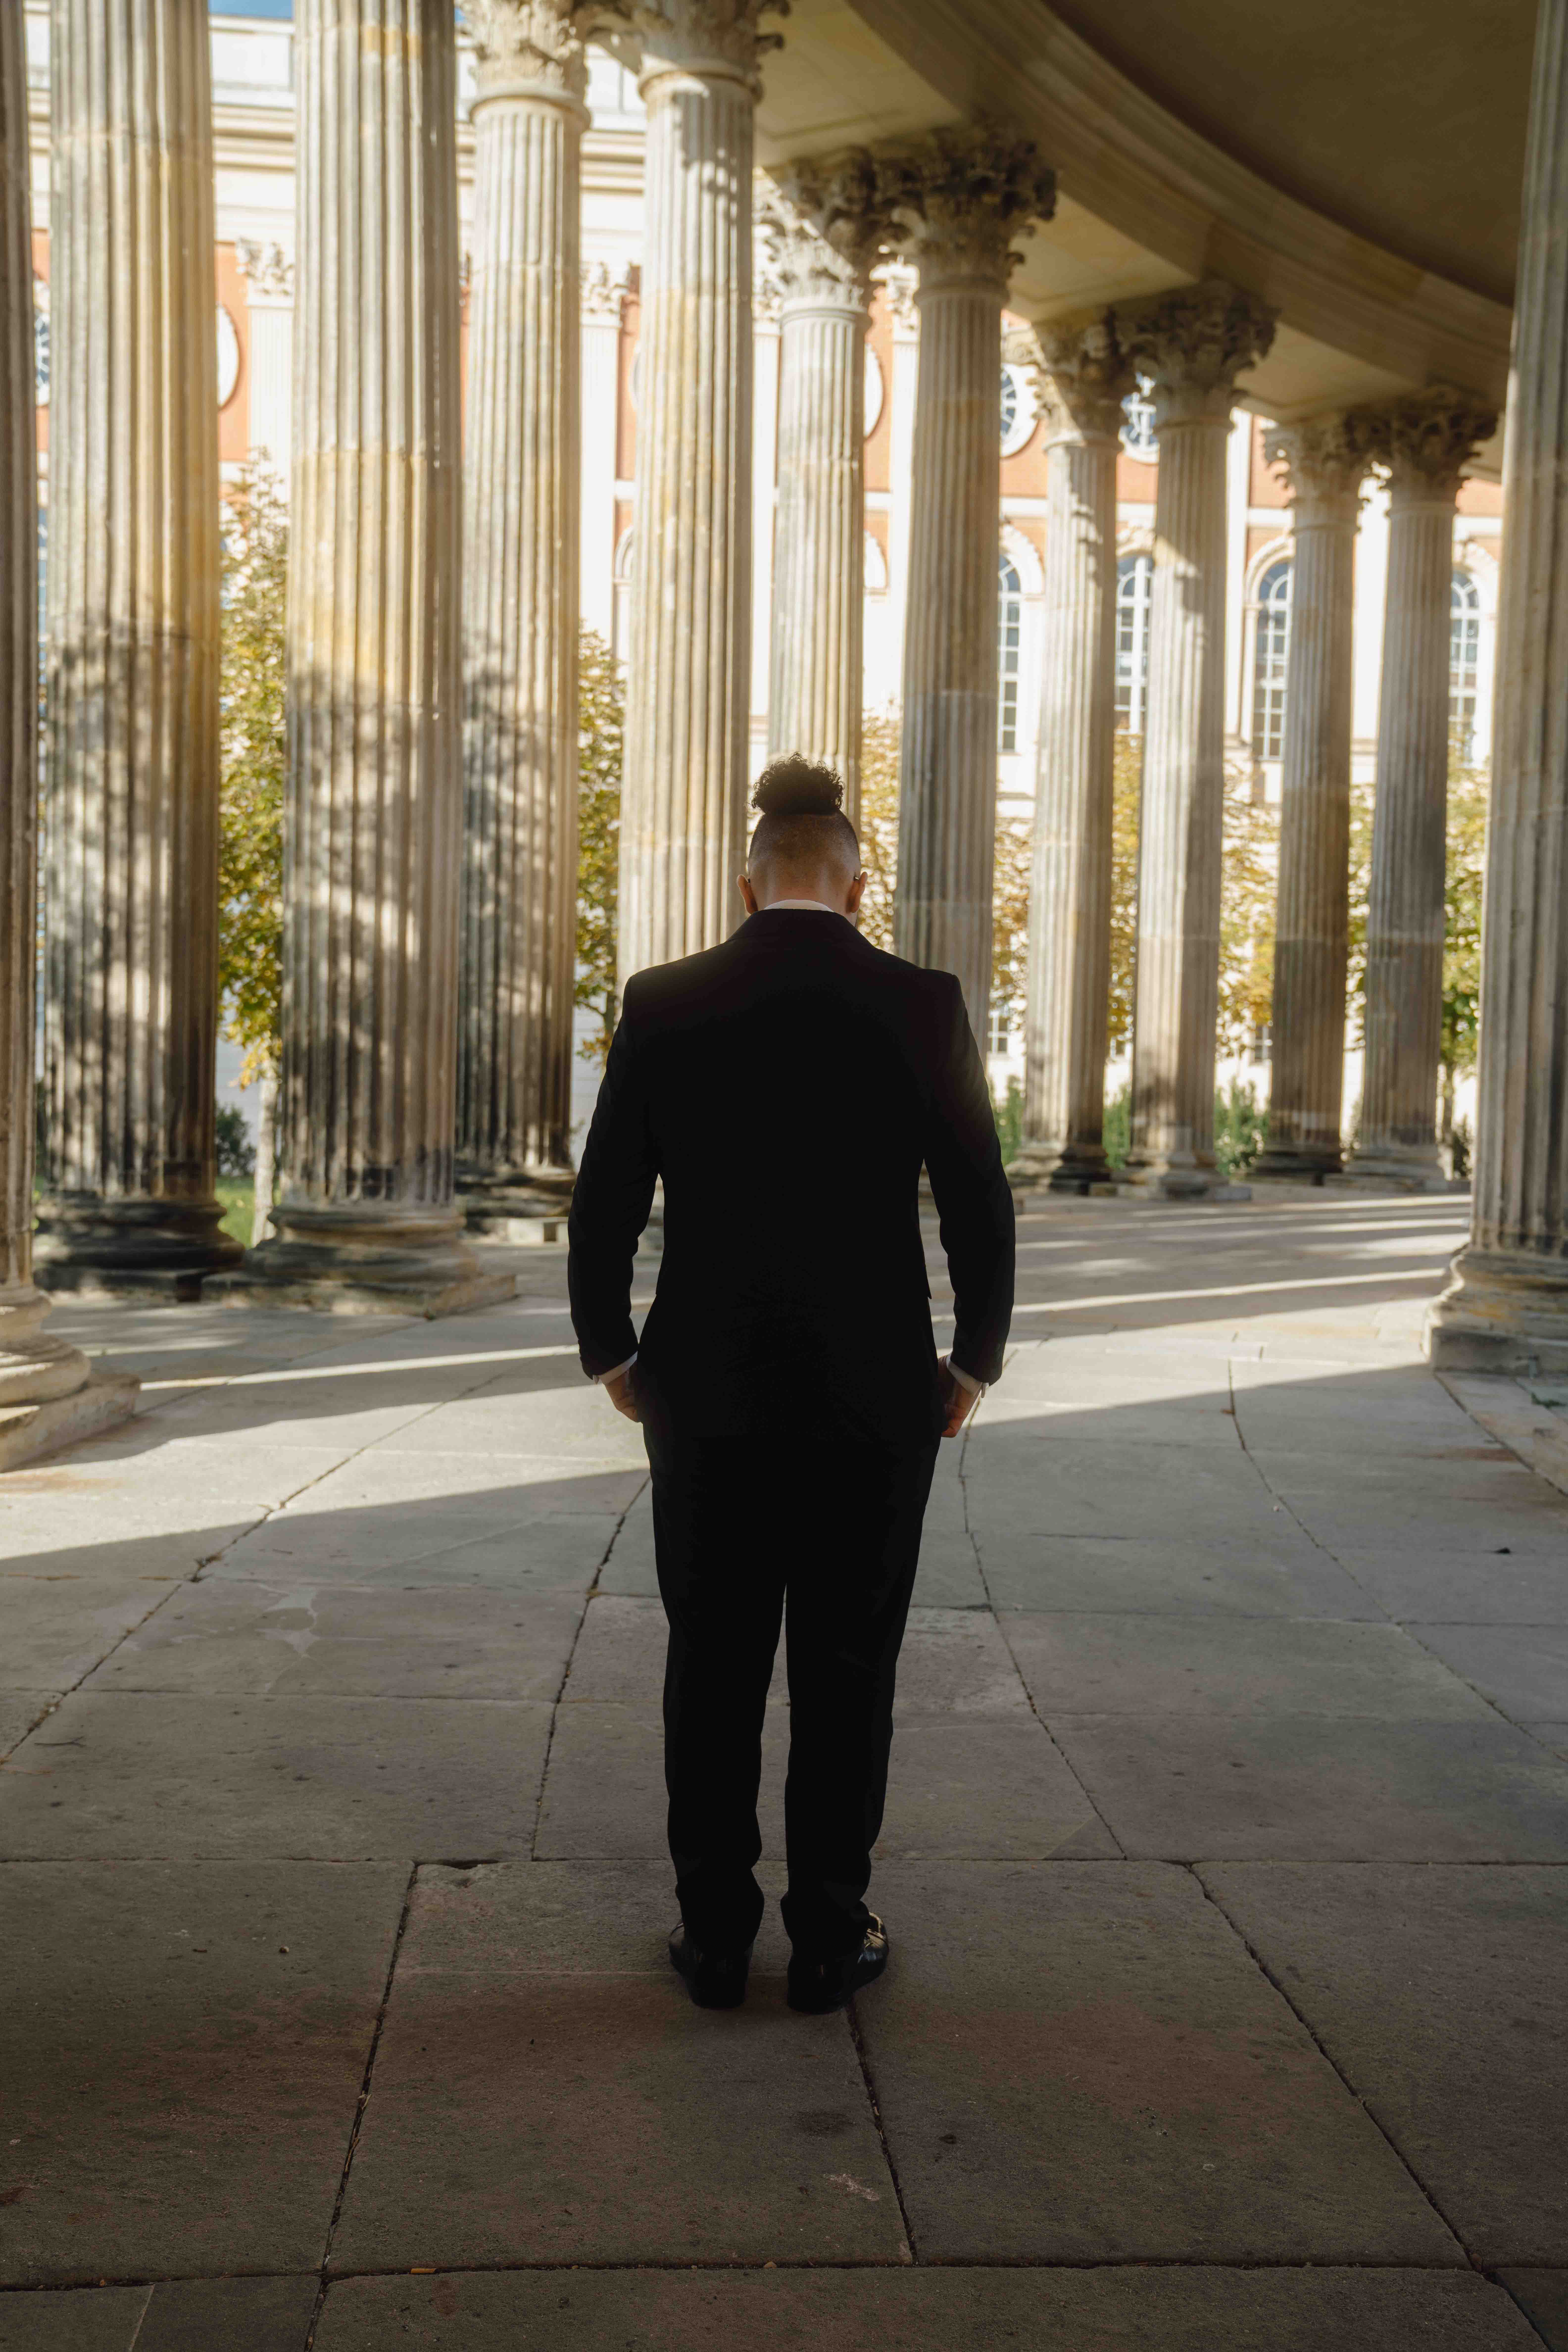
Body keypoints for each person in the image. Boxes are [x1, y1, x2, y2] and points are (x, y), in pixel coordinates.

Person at [567, 756, 1014, 2014]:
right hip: (877, 1394)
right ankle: (827, 1935)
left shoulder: (663, 1002)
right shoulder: (924, 1004)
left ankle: (714, 1937)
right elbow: (981, 1202)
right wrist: (972, 1357)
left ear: (745, 881)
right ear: (858, 885)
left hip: (704, 1390)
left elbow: (605, 1205)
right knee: (847, 1667)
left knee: (709, 1663)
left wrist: (613, 1352)